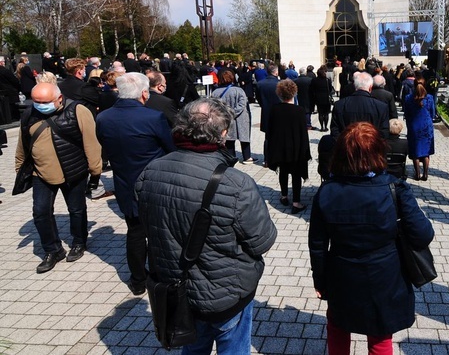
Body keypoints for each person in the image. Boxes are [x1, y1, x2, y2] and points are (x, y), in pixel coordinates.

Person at [136, 98, 277, 354]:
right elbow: (262, 241)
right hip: (227, 291)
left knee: (193, 348)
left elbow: (148, 226)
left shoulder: (150, 171)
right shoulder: (235, 183)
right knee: (233, 347)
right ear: (223, 134)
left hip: (178, 289)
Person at [309, 122, 434, 355]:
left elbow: (317, 244)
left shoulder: (326, 192)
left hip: (342, 272)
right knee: (379, 336)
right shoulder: (395, 189)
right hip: (385, 274)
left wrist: (320, 280)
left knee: (337, 325)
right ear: (379, 151)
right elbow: (423, 235)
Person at [96, 72, 175, 295]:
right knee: (160, 232)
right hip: (153, 184)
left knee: (135, 231)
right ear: (143, 93)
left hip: (124, 183)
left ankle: (138, 280)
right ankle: (161, 275)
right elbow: (171, 148)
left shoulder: (103, 118)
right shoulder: (152, 118)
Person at [15, 83, 102, 273]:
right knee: (40, 212)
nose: (40, 105)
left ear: (59, 98)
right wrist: (19, 168)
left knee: (76, 209)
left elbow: (91, 142)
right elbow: (23, 143)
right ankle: (52, 249)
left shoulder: (78, 111)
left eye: (45, 102)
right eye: (36, 102)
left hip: (74, 170)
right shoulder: (29, 113)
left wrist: (95, 170)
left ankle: (79, 242)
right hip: (41, 172)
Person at [266, 79, 311, 213]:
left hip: (280, 147)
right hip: (295, 148)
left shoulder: (274, 109)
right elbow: (303, 132)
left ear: (279, 93)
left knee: (283, 171)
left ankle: (284, 196)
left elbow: (270, 130)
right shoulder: (299, 110)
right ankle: (296, 202)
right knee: (296, 174)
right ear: (294, 93)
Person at [212, 69, 254, 163]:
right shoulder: (239, 90)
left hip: (224, 119)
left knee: (229, 139)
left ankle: (231, 157)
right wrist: (233, 112)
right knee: (244, 138)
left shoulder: (215, 92)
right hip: (240, 118)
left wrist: (225, 114)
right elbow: (242, 104)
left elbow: (214, 106)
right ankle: (247, 157)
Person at [330, 72, 389, 139]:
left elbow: (335, 130)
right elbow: (384, 134)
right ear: (370, 88)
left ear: (355, 86)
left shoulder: (339, 105)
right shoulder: (381, 107)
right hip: (371, 146)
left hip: (346, 145)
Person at [403, 78, 436, 181]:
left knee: (415, 149)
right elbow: (433, 113)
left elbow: (406, 113)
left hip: (414, 125)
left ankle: (417, 174)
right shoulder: (429, 98)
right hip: (426, 125)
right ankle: (425, 174)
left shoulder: (408, 98)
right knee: (425, 151)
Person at [256, 64, 281, 163]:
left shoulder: (260, 84)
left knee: (268, 138)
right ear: (276, 72)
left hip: (266, 112)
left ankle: (267, 160)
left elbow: (258, 99)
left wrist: (264, 105)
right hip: (279, 113)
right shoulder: (280, 83)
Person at [309, 65, 333, 132]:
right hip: (326, 99)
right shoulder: (327, 80)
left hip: (318, 99)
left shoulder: (314, 80)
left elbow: (312, 89)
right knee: (326, 113)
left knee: (320, 113)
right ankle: (325, 126)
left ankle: (321, 127)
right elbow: (330, 89)